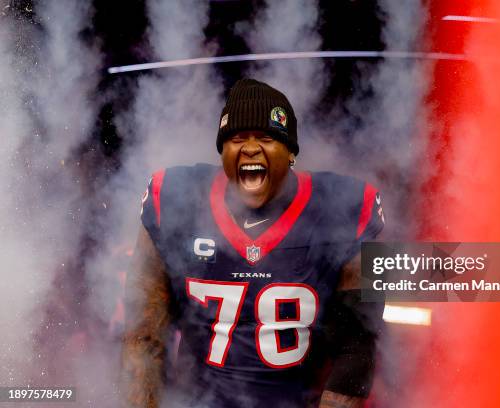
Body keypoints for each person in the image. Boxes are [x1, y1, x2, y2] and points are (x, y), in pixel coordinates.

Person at [121, 79, 385, 408]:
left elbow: (358, 347)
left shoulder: (342, 206)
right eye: (236, 138)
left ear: (290, 153)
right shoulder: (177, 199)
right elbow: (143, 334)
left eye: (266, 138)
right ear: (223, 152)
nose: (249, 148)